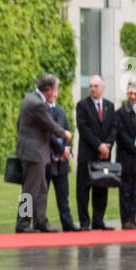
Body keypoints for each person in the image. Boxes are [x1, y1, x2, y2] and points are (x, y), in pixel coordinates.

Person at [15, 74, 72, 233]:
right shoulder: (37, 104)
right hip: (34, 153)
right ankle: (23, 224)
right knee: (30, 190)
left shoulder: (30, 98)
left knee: (40, 189)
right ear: (48, 90)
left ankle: (40, 221)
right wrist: (65, 134)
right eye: (56, 89)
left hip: (35, 151)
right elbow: (50, 125)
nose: (56, 93)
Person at [75, 74, 116, 230]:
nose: (92, 89)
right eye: (91, 86)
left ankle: (99, 221)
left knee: (102, 188)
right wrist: (99, 145)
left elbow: (113, 127)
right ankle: (85, 222)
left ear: (102, 88)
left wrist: (108, 146)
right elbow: (84, 128)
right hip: (88, 155)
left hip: (104, 156)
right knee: (83, 190)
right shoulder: (82, 105)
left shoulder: (109, 106)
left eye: (96, 86)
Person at [115, 79, 136, 229]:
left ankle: (133, 219)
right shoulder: (121, 112)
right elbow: (121, 135)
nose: (133, 96)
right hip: (126, 157)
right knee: (125, 191)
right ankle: (126, 221)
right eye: (131, 93)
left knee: (134, 190)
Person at [44, 82, 78, 232]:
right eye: (52, 90)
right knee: (37, 195)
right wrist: (60, 149)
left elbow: (67, 130)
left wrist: (67, 149)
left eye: (56, 90)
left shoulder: (60, 110)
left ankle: (67, 223)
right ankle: (36, 222)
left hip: (61, 161)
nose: (54, 94)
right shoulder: (40, 110)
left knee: (64, 195)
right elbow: (48, 133)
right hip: (46, 160)